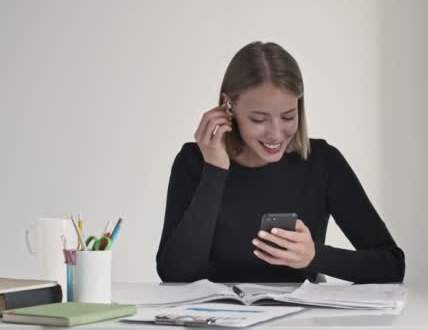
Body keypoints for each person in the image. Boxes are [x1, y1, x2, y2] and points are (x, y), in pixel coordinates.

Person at [156, 41, 405, 283]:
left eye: (288, 116)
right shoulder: (193, 162)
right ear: (227, 107)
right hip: (218, 321)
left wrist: (315, 256)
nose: (276, 134)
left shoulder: (322, 162)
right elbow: (175, 274)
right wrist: (214, 170)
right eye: (259, 119)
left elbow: (391, 266)